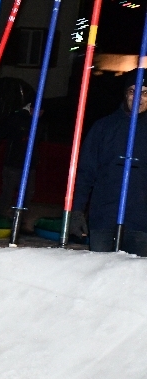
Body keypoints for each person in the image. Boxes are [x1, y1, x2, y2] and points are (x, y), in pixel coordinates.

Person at [70, 69, 147, 256]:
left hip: (142, 224)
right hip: (104, 219)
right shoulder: (103, 127)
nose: (137, 97)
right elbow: (85, 172)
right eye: (132, 91)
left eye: (144, 93)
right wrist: (77, 210)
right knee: (100, 278)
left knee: (136, 282)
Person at [0, 100, 41, 217]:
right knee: (8, 192)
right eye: (39, 112)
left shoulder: (38, 121)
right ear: (33, 109)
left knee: (28, 193)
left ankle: (20, 218)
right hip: (13, 163)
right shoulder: (17, 117)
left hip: (29, 164)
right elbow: (2, 131)